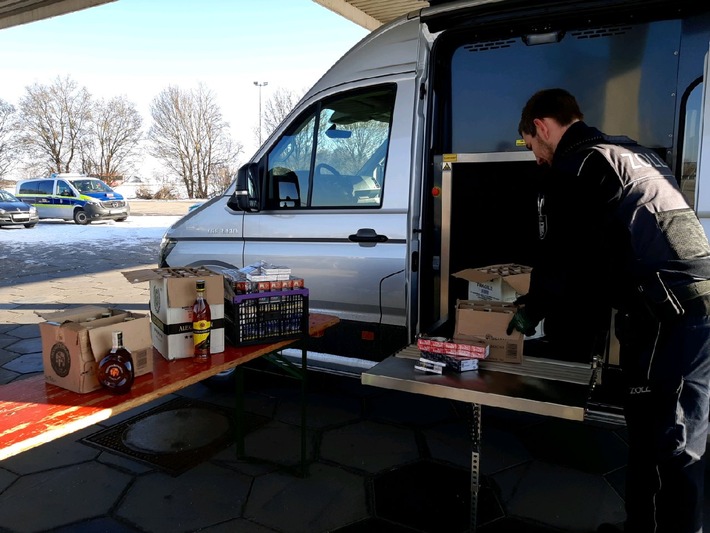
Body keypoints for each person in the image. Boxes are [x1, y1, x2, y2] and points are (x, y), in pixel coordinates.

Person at [507, 88, 710, 533]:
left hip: (667, 313)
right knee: (654, 431)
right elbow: (607, 252)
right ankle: (641, 524)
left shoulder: (576, 164)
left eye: (529, 145)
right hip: (687, 304)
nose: (535, 156)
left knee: (668, 444)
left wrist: (529, 313)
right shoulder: (631, 153)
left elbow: (560, 257)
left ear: (542, 127)